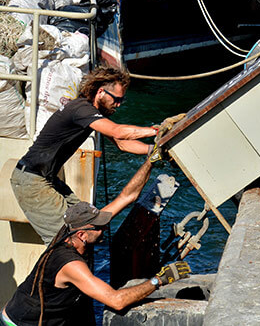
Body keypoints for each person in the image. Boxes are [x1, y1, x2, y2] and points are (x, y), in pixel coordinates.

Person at [2, 160, 190, 325]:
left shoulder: (73, 230)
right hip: (20, 322)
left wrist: (150, 161)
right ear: (82, 234)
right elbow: (116, 300)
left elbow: (127, 196)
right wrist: (160, 280)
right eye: (99, 227)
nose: (104, 228)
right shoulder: (70, 264)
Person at [10, 65, 159, 245]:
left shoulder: (91, 114)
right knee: (66, 240)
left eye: (122, 100)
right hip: (31, 180)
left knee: (90, 220)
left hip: (46, 179)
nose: (118, 105)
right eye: (116, 100)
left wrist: (154, 149)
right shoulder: (81, 109)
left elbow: (121, 143)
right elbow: (118, 132)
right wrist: (155, 131)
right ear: (101, 92)